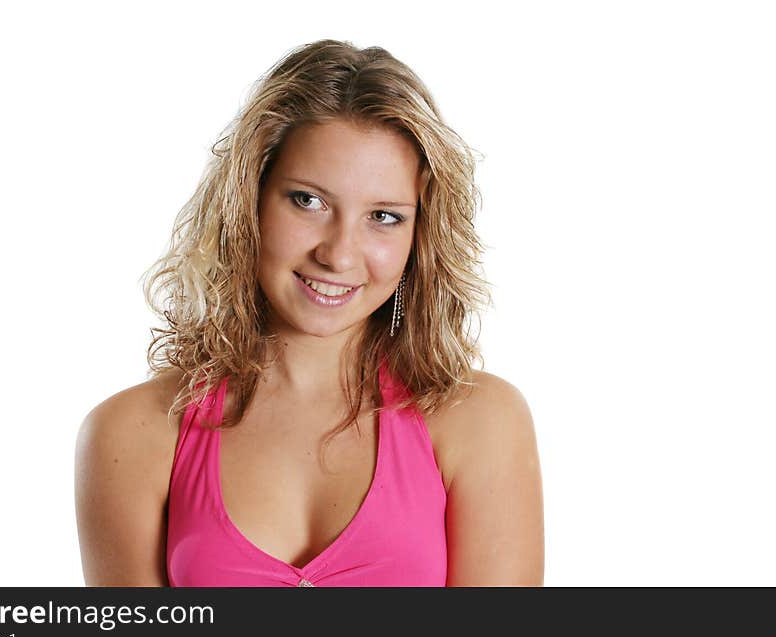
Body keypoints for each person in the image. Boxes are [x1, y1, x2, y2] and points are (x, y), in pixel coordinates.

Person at [74, 39, 544, 587]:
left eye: (385, 216)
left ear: (422, 236)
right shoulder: (132, 435)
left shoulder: (480, 422)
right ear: (247, 201)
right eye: (307, 201)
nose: (339, 253)